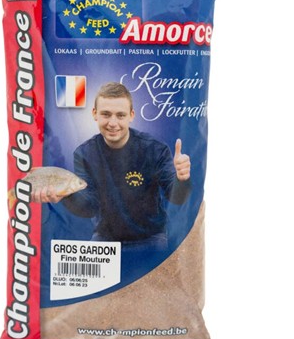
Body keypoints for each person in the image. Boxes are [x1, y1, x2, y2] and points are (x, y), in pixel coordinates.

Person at [33, 82, 191, 247]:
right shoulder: (83, 153)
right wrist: (65, 195)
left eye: (120, 115)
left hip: (151, 238)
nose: (113, 123)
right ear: (95, 114)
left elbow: (178, 198)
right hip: (105, 239)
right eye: (106, 114)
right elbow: (89, 208)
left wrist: (182, 178)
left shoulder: (156, 149)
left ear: (131, 115)